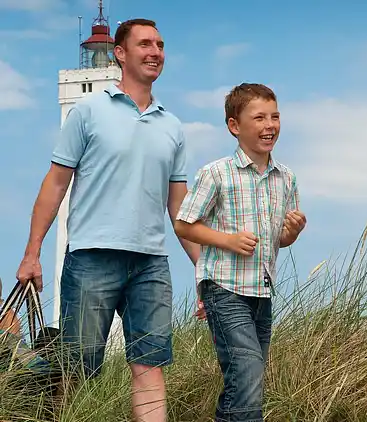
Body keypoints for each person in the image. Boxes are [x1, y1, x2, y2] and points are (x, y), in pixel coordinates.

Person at [15, 18, 199, 422]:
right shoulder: (88, 111)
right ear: (119, 53)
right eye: (145, 44)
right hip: (91, 257)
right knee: (79, 370)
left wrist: (202, 268)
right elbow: (55, 183)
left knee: (150, 365)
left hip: (151, 262)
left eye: (161, 44)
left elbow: (179, 209)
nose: (155, 52)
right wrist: (32, 253)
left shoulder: (172, 126)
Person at [174, 83, 306, 422]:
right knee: (246, 372)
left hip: (262, 291)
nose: (270, 125)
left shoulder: (286, 178)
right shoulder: (216, 173)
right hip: (224, 288)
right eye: (259, 117)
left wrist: (290, 233)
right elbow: (184, 225)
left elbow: (279, 240)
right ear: (235, 126)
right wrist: (227, 241)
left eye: (275, 116)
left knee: (250, 379)